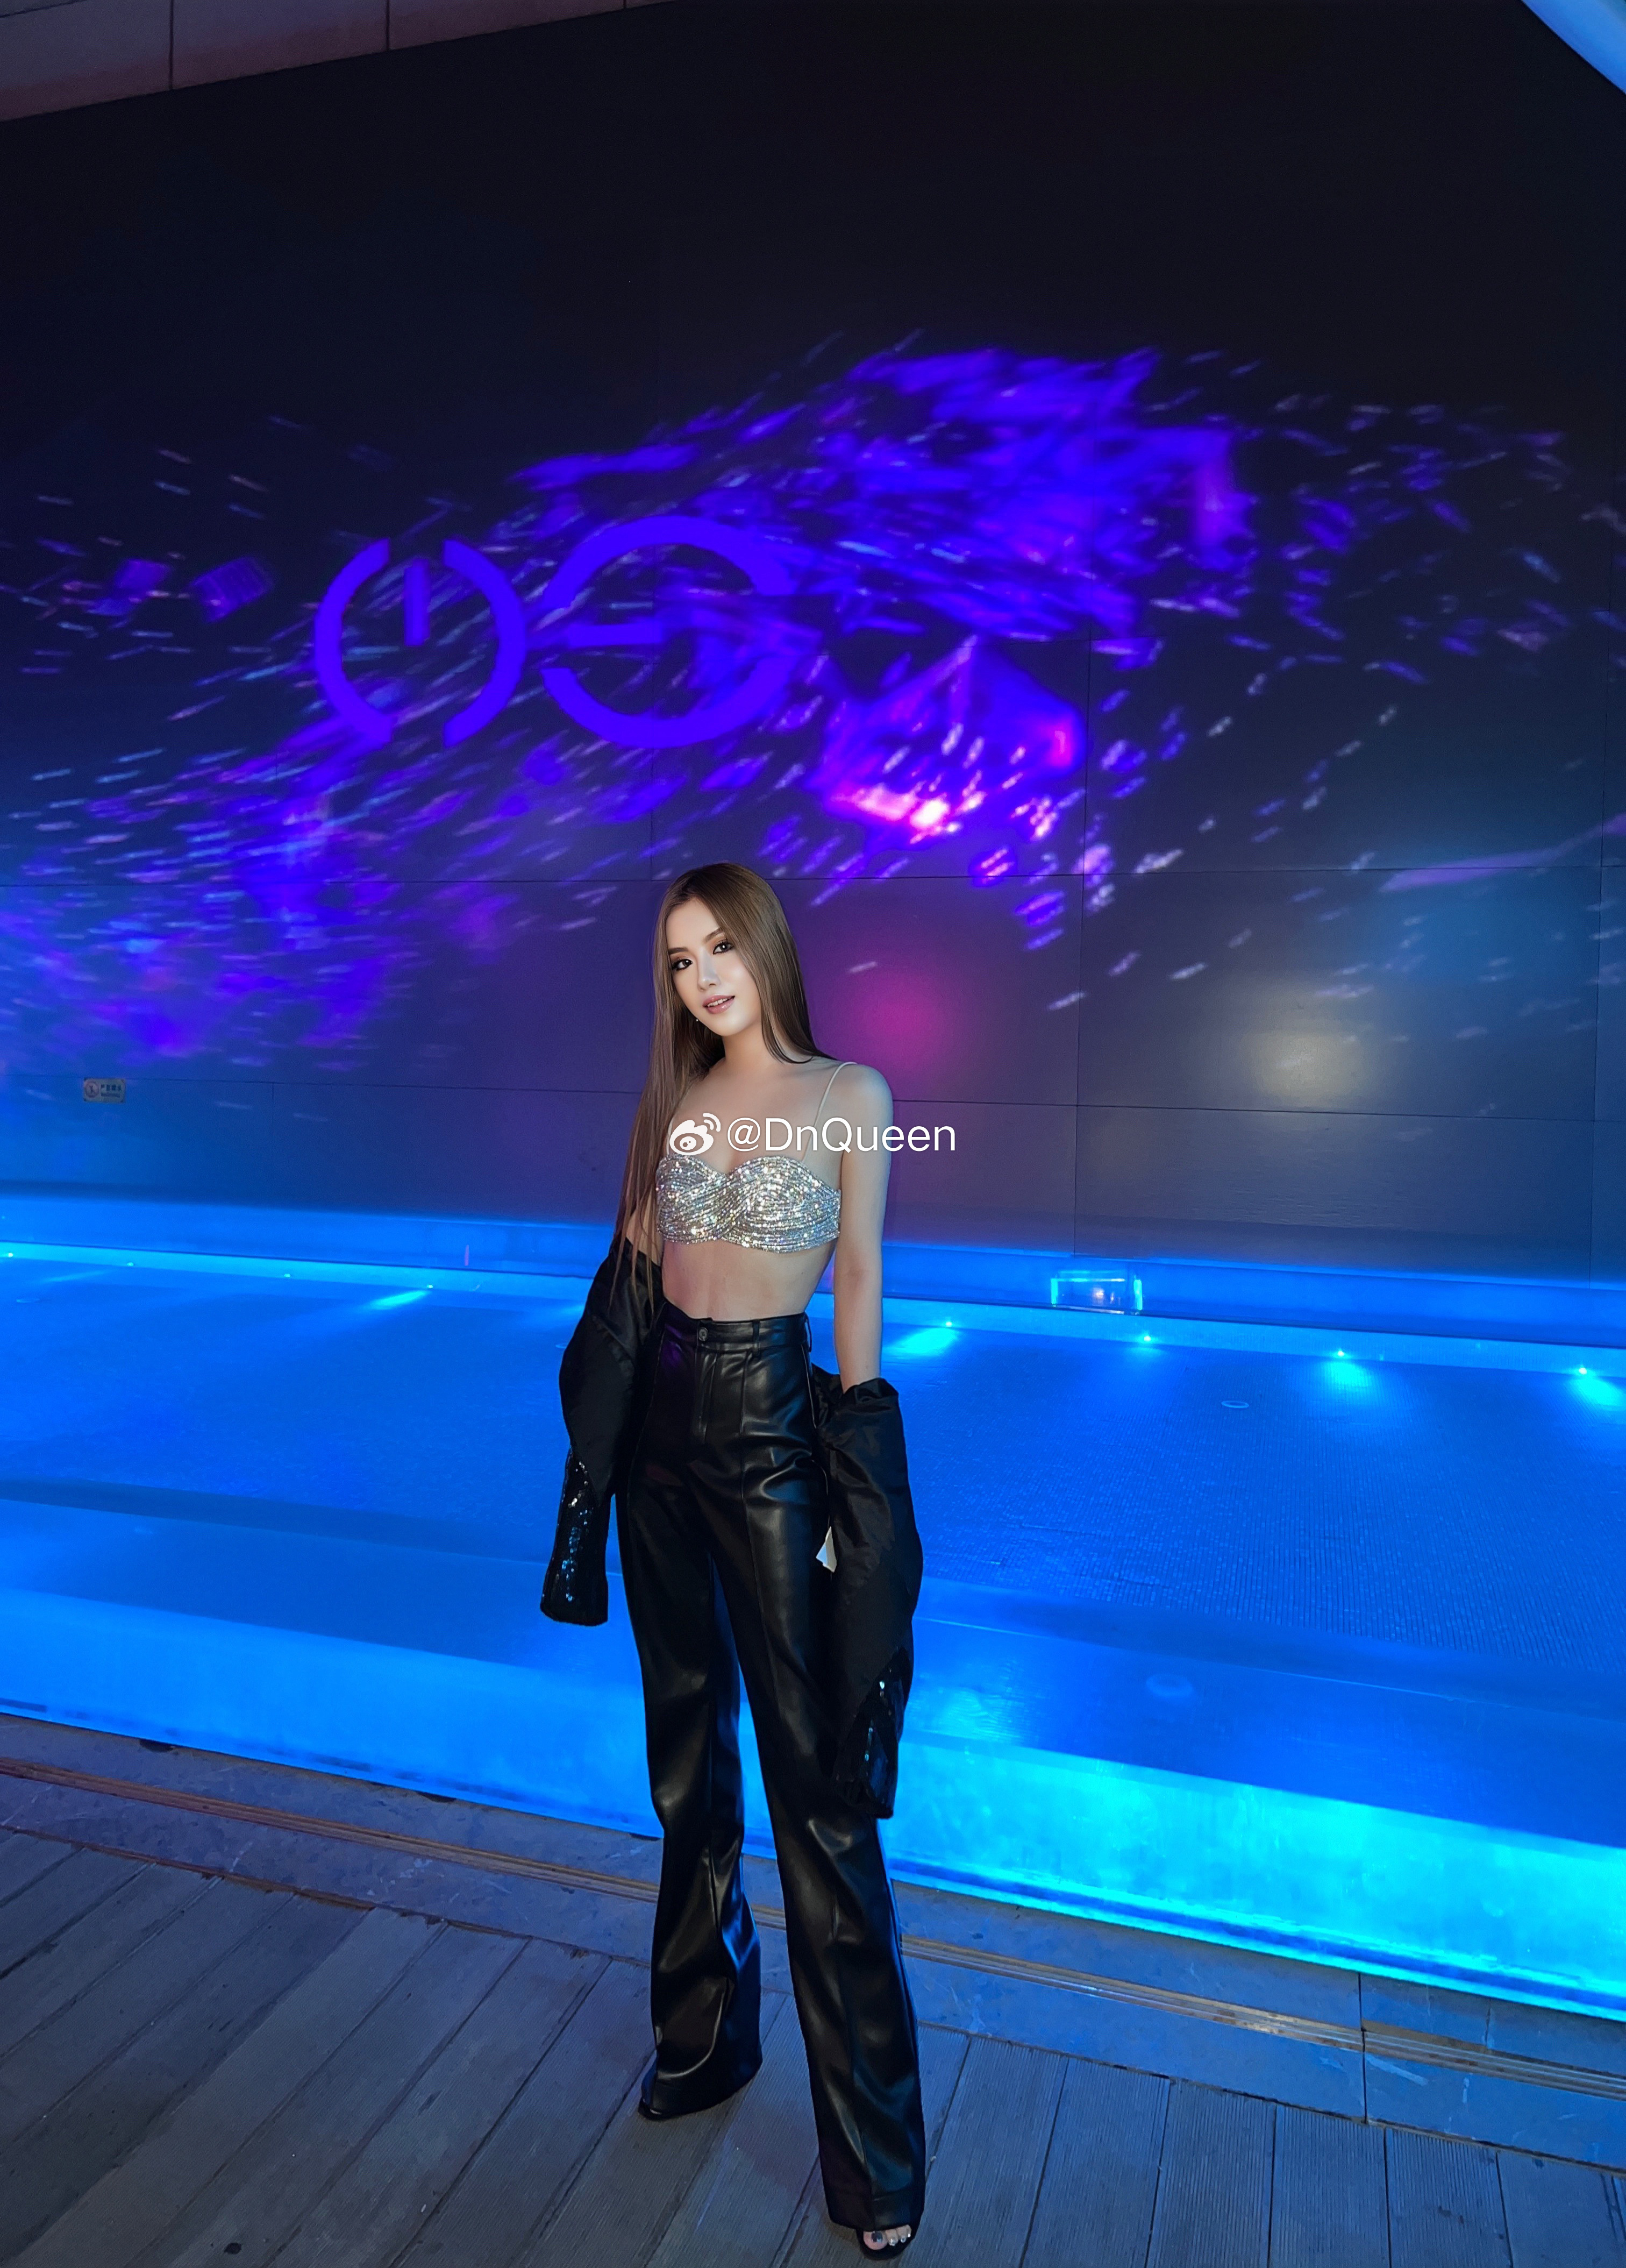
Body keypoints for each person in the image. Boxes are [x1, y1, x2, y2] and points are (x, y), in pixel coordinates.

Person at [611, 861, 924, 2255]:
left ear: (766, 948)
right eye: (681, 960)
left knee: (819, 1790)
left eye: (719, 948)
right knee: (687, 1759)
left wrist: (856, 1483)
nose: (702, 978)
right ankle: (701, 2042)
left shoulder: (853, 1093)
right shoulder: (675, 1101)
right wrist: (599, 1447)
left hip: (771, 1437)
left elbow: (857, 1279)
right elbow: (639, 1264)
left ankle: (874, 2161)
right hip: (659, 1439)